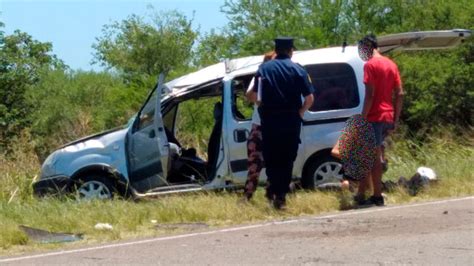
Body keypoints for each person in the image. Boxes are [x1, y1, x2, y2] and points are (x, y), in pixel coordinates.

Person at [247, 37, 314, 209]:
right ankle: (281, 197)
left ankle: (274, 192)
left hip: (270, 121)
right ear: (291, 50)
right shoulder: (298, 69)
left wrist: (262, 106)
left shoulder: (264, 69)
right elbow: (309, 98)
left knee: (272, 159)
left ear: (276, 50)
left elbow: (254, 95)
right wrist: (299, 113)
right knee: (287, 159)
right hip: (291, 122)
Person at [355, 34, 404, 206]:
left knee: (373, 157)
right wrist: (396, 119)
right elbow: (399, 93)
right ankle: (361, 194)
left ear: (367, 47)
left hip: (374, 116)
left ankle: (377, 195)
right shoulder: (391, 64)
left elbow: (370, 95)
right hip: (388, 116)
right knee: (371, 155)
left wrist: (363, 117)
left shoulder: (370, 65)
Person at [243, 51, 276, 200]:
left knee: (274, 164)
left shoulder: (280, 78)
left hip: (274, 126)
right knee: (254, 164)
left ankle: (272, 194)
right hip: (259, 126)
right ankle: (248, 195)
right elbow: (250, 95)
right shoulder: (259, 77)